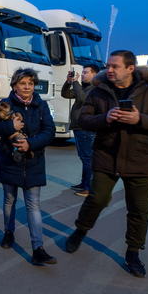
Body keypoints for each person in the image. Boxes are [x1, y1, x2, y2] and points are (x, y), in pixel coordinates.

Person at [64, 50, 148, 278]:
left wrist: (140, 119)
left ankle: (133, 252)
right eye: (108, 66)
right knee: (98, 199)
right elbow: (83, 120)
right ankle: (80, 230)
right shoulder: (98, 91)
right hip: (106, 155)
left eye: (115, 66)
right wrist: (105, 118)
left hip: (140, 159)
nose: (109, 70)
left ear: (130, 68)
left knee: (139, 210)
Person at [0, 68, 57, 265]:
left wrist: (30, 144)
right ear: (14, 85)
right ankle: (9, 232)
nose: (27, 87)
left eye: (31, 83)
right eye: (23, 83)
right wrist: (12, 127)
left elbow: (50, 131)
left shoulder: (41, 105)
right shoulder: (6, 104)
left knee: (33, 205)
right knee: (9, 200)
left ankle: (38, 248)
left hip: (33, 161)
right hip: (9, 161)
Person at [61, 65, 100, 196]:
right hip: (80, 127)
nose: (82, 74)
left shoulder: (95, 88)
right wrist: (68, 82)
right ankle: (84, 183)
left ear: (94, 74)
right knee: (84, 158)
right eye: (82, 72)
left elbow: (82, 98)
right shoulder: (84, 87)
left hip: (86, 128)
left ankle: (88, 188)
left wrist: (76, 82)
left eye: (85, 72)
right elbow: (65, 94)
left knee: (87, 157)